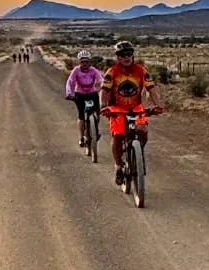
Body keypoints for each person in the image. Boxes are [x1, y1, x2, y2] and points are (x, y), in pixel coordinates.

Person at [100, 41, 163, 185]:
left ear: (133, 55)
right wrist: (103, 106)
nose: (126, 57)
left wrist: (158, 105)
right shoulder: (112, 72)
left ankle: (137, 154)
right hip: (117, 108)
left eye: (129, 54)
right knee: (118, 135)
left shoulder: (141, 71)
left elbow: (151, 88)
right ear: (118, 57)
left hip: (136, 107)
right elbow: (104, 91)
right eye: (122, 55)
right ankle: (118, 165)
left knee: (142, 130)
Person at [65, 50, 104, 147]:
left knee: (97, 113)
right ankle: (81, 137)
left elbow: (101, 79)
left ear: (90, 62)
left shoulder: (93, 70)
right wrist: (69, 93)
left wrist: (103, 88)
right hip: (80, 94)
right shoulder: (76, 70)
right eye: (82, 62)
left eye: (87, 61)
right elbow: (70, 82)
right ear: (79, 62)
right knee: (81, 116)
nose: (85, 64)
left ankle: (95, 130)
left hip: (92, 93)